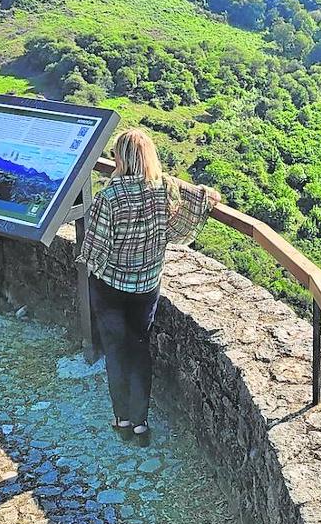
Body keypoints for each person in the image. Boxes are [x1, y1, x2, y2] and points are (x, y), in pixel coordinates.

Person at [78, 128, 221, 445]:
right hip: (146, 287)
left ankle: (122, 420)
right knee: (140, 348)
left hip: (111, 287)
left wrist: (99, 273)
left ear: (119, 158)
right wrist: (207, 196)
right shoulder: (164, 189)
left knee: (116, 351)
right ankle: (141, 425)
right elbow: (194, 205)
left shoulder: (109, 198)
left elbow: (94, 252)